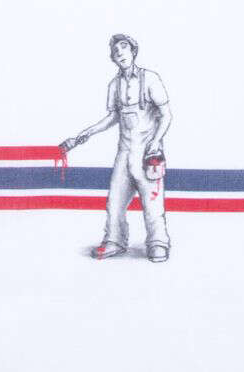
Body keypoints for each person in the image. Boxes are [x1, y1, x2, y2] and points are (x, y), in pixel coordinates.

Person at [60, 34, 172, 263]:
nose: (120, 53)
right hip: (124, 152)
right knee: (115, 200)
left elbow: (166, 115)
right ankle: (114, 241)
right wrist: (84, 134)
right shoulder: (114, 85)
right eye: (115, 50)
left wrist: (155, 141)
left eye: (124, 47)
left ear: (133, 51)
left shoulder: (151, 79)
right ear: (112, 57)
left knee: (152, 201)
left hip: (147, 154)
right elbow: (112, 118)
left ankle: (158, 243)